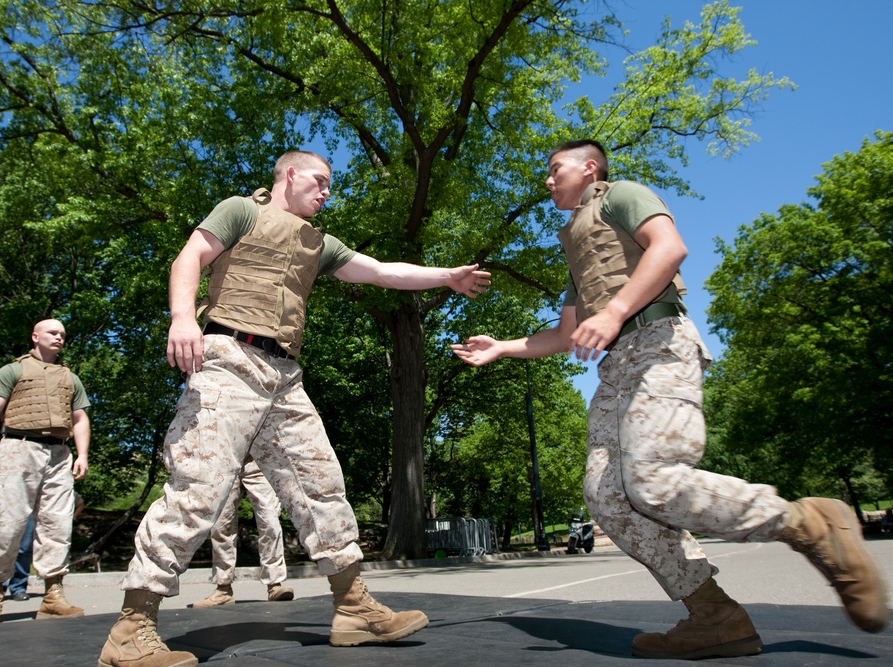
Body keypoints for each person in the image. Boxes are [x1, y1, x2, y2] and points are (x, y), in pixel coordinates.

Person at [451, 139, 889, 659]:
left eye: (555, 169)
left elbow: (668, 247)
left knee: (653, 479)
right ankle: (714, 616)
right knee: (608, 497)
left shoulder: (621, 195)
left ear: (589, 167)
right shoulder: (578, 238)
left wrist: (613, 313)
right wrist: (501, 347)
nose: (547, 180)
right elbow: (568, 333)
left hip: (659, 344)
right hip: (618, 365)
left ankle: (807, 523)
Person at [98, 150, 491, 667]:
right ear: (289, 173)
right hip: (228, 359)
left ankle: (353, 609)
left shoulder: (319, 242)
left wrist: (446, 276)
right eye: (320, 180)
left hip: (284, 376)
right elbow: (189, 257)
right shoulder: (240, 210)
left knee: (320, 483)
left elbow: (379, 271)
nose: (327, 190)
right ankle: (133, 627)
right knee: (198, 487)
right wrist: (181, 318)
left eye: (331, 184)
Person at [0, 319, 91, 624]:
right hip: (18, 448)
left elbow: (79, 419)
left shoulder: (69, 377)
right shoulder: (13, 370)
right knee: (6, 522)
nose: (59, 338)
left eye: (63, 334)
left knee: (58, 523)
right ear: (35, 336)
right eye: (53, 332)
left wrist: (82, 455)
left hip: (58, 454)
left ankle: (53, 595)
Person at [192, 457, 295, 607]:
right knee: (221, 526)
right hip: (224, 460)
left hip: (259, 459)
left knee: (270, 521)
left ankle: (274, 584)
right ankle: (223, 589)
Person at [6, 492, 85, 601]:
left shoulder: (65, 487)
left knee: (27, 550)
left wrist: (71, 518)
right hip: (25, 509)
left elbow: (80, 504)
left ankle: (18, 588)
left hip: (47, 515)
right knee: (10, 547)